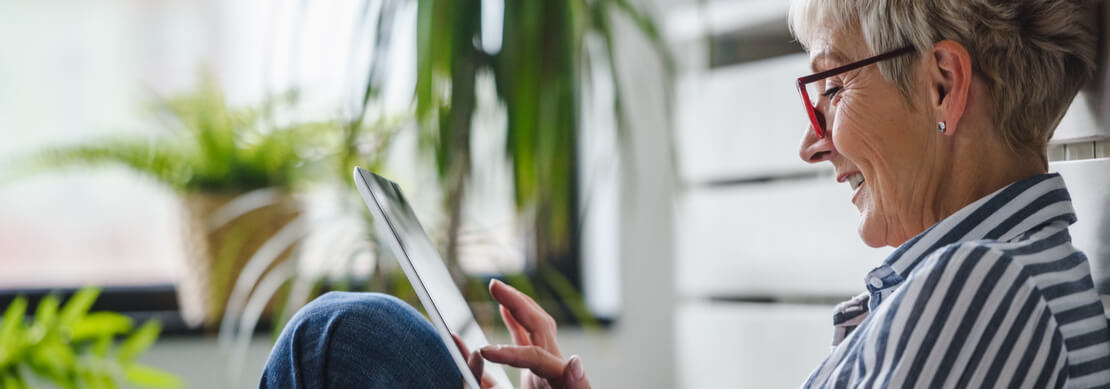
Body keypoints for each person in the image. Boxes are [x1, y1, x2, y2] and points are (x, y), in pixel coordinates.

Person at [259, 0, 1108, 387]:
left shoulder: (985, 289)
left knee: (340, 339)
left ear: (942, 85)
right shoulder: (980, 278)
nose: (810, 138)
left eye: (832, 89)